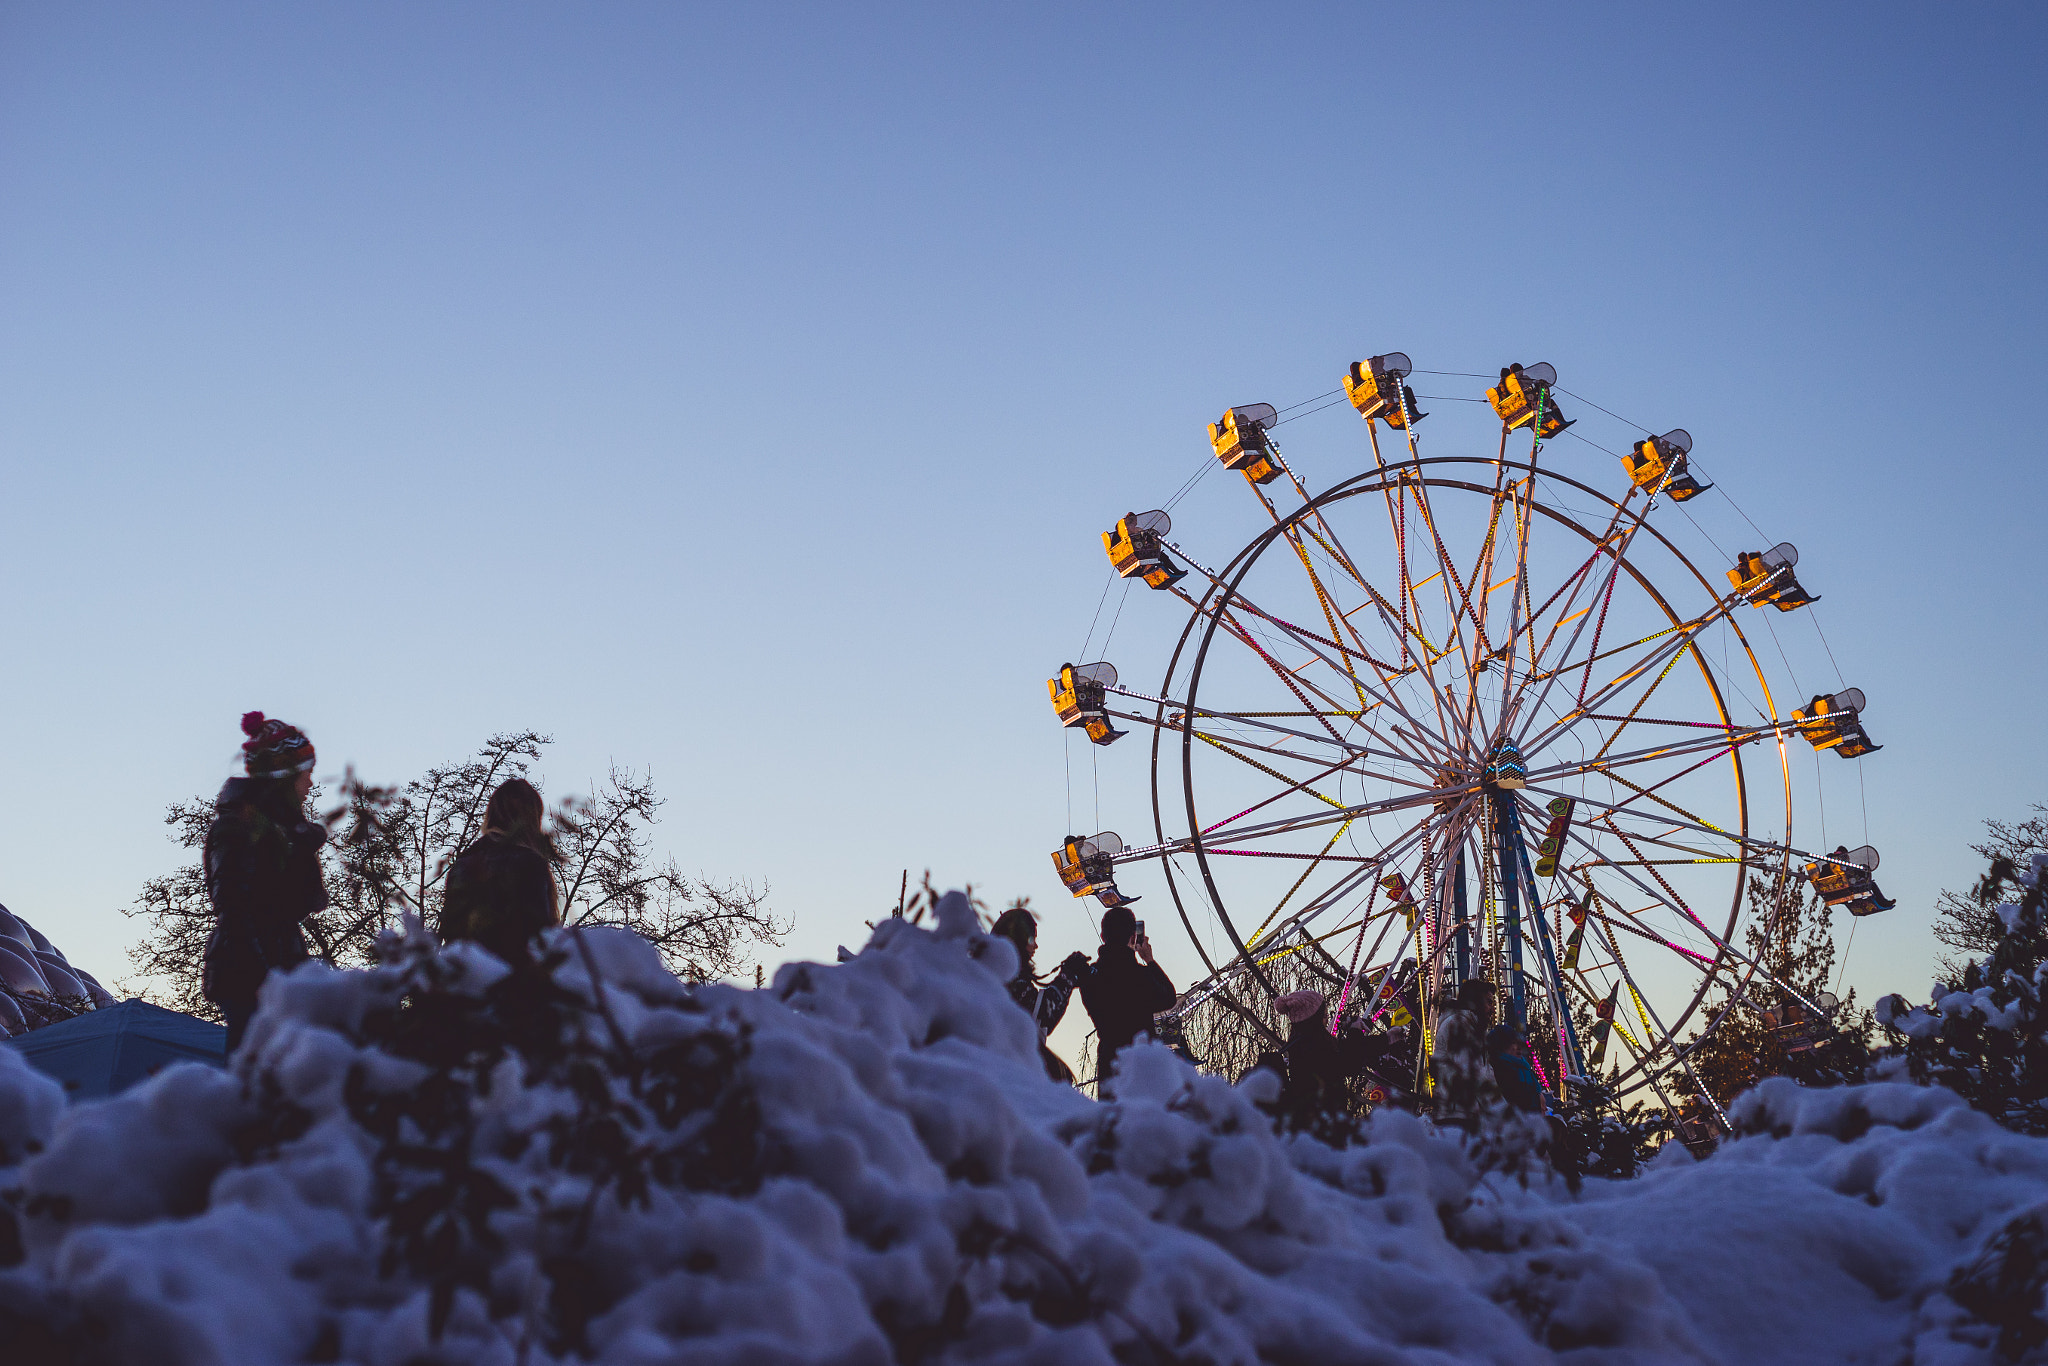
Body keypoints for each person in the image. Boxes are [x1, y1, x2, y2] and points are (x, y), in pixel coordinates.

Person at [202, 712, 328, 1051]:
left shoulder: (285, 830)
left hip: (277, 962)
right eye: (306, 775)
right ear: (285, 778)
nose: (310, 785)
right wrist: (265, 972)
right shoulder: (240, 827)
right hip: (252, 971)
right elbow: (232, 905)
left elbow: (310, 901)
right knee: (254, 1066)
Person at [440, 778, 560, 965]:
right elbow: (539, 937)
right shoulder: (530, 863)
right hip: (514, 983)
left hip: (465, 979)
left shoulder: (463, 864)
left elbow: (451, 934)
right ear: (531, 819)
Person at [1076, 905, 1176, 1095]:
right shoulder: (1141, 977)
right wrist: (1150, 960)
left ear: (1103, 936)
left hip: (1110, 1060)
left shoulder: (1091, 977)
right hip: (1142, 1063)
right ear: (1133, 937)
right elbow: (1168, 997)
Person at [1272, 987, 1399, 1127]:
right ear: (1314, 1018)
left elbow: (1347, 1050)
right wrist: (1355, 1032)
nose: (1327, 1021)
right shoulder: (1312, 1044)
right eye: (1324, 1016)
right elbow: (1348, 1064)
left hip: (1319, 1117)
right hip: (1323, 1120)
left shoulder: (1304, 1040)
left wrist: (1385, 1039)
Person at [990, 905, 1088, 1083]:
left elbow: (1041, 1018)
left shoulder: (995, 969)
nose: (1035, 945)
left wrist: (1067, 979)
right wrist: (1068, 976)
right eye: (1030, 938)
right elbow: (1040, 1015)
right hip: (1008, 1073)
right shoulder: (1006, 975)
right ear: (1017, 939)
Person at [1430, 977, 1503, 1132]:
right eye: (1489, 1002)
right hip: (1456, 1116)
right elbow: (1472, 1072)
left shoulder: (1472, 1028)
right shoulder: (1457, 1025)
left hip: (1467, 1113)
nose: (1492, 1009)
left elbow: (1486, 1073)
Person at [1488, 1025, 1546, 1115]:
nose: (1519, 1047)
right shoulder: (1501, 1068)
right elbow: (1518, 1098)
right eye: (1513, 1043)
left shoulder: (1524, 1067)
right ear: (1501, 1046)